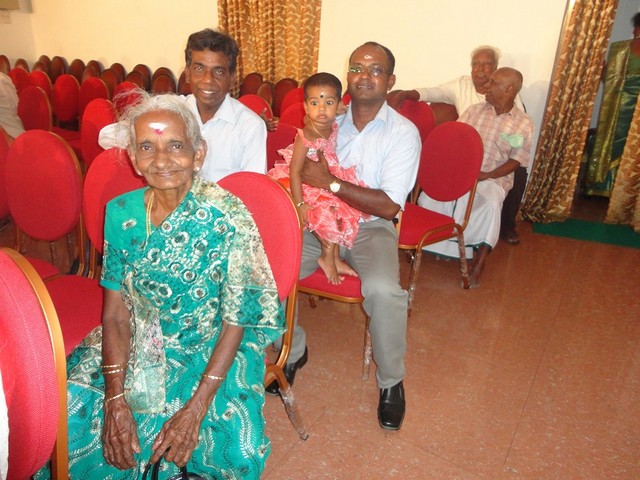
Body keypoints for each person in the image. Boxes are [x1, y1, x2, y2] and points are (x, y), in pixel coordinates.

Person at [35, 92, 285, 479]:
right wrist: (115, 399)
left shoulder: (229, 215)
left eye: (176, 146)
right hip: (139, 334)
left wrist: (196, 408)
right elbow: (115, 314)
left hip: (213, 341)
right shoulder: (121, 212)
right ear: (133, 158)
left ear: (198, 154)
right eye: (147, 147)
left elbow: (237, 319)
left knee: (235, 446)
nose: (162, 160)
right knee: (73, 414)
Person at [267, 42, 421, 432]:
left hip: (370, 227)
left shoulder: (403, 133)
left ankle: (391, 382)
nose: (364, 75)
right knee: (269, 268)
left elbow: (389, 206)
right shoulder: (330, 115)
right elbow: (299, 160)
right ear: (346, 75)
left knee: (385, 291)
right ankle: (292, 350)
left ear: (390, 80)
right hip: (321, 223)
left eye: (375, 69)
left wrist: (331, 184)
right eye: (356, 68)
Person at [388, 46, 528, 246]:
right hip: (465, 153)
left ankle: (503, 228)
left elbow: (517, 131)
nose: (480, 69)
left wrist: (492, 167)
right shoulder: (465, 93)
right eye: (476, 64)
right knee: (439, 187)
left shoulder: (512, 101)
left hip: (495, 160)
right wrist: (409, 93)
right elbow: (435, 93)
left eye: (486, 65)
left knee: (518, 173)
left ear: (496, 69)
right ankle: (439, 237)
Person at [100, 29, 267, 182]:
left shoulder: (249, 126)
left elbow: (254, 187)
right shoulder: (171, 112)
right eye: (199, 69)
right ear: (187, 74)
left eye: (218, 71)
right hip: (170, 200)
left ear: (232, 78)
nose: (208, 80)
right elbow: (105, 137)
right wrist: (150, 138)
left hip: (224, 204)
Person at [418, 67, 534, 288]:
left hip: (493, 178)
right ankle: (438, 246)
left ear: (509, 90)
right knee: (428, 198)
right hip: (462, 172)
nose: (486, 86)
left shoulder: (523, 123)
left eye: (494, 82)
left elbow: (516, 161)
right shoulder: (474, 111)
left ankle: (480, 263)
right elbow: (455, 139)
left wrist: (486, 175)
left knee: (490, 203)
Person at [269, 72, 367, 284]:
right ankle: (326, 258)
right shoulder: (307, 136)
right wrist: (300, 204)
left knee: (343, 207)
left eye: (328, 103)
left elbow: (325, 112)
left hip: (324, 176)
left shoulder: (327, 122)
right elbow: (295, 171)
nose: (321, 109)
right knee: (328, 214)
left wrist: (340, 108)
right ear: (306, 106)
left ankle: (335, 258)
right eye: (314, 103)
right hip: (302, 184)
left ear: (338, 106)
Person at [585, 13, 640, 197]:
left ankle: (607, 187)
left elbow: (609, 81)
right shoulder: (621, 48)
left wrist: (603, 70)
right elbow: (611, 81)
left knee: (615, 143)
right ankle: (620, 190)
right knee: (622, 145)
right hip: (622, 106)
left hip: (622, 105)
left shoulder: (621, 48)